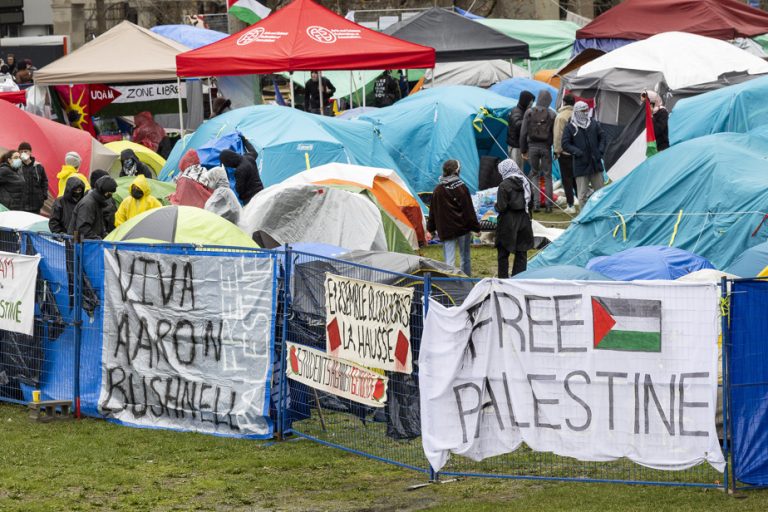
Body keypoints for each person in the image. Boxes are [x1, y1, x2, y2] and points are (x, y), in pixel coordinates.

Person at [426, 160, 480, 276]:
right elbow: (468, 210)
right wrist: (476, 227)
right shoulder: (461, 188)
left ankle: (451, 283)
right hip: (462, 229)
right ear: (456, 171)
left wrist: (430, 228)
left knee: (449, 261)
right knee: (465, 258)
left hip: (446, 229)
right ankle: (466, 281)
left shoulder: (438, 189)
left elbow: (433, 212)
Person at [561, 101, 607, 210]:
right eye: (583, 111)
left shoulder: (593, 123)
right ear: (577, 112)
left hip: (595, 163)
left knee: (601, 193)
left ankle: (601, 213)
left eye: (586, 110)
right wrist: (578, 152)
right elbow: (565, 143)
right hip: (581, 165)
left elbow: (603, 137)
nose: (585, 113)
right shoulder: (570, 127)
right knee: (582, 195)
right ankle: (583, 217)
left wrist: (599, 151)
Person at [495, 159, 533, 278]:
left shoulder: (503, 185)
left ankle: (503, 280)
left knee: (503, 254)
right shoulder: (526, 182)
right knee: (521, 254)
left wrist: (495, 205)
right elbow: (531, 203)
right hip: (524, 220)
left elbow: (502, 207)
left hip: (508, 221)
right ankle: (518, 279)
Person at [520, 89, 556, 213]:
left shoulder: (529, 112)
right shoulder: (552, 114)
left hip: (532, 147)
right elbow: (555, 134)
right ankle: (549, 205)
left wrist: (523, 149)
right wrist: (555, 149)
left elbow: (523, 132)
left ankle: (535, 204)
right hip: (546, 147)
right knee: (547, 175)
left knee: (534, 174)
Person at [69, 175, 117, 239]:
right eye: (109, 192)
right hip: (81, 243)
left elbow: (97, 225)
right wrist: (97, 239)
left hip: (87, 242)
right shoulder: (88, 203)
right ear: (104, 191)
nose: (110, 195)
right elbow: (82, 227)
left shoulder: (97, 201)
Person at [553, 93, 578, 215]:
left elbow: (558, 136)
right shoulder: (578, 115)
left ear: (564, 102)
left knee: (567, 179)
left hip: (565, 153)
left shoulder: (561, 117)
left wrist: (557, 151)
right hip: (578, 152)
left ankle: (570, 204)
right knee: (577, 179)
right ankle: (583, 202)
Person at [506, 90, 535, 170]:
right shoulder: (516, 111)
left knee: (535, 166)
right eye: (530, 102)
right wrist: (530, 120)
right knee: (517, 169)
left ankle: (528, 182)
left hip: (524, 145)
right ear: (525, 101)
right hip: (516, 147)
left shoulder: (525, 111)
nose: (531, 104)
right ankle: (517, 182)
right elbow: (517, 125)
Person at [17, 142, 48, 214]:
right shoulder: (17, 167)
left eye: (25, 151)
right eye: (21, 152)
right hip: (21, 204)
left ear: (30, 152)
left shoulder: (38, 166)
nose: (23, 153)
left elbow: (44, 181)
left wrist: (43, 196)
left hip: (36, 203)